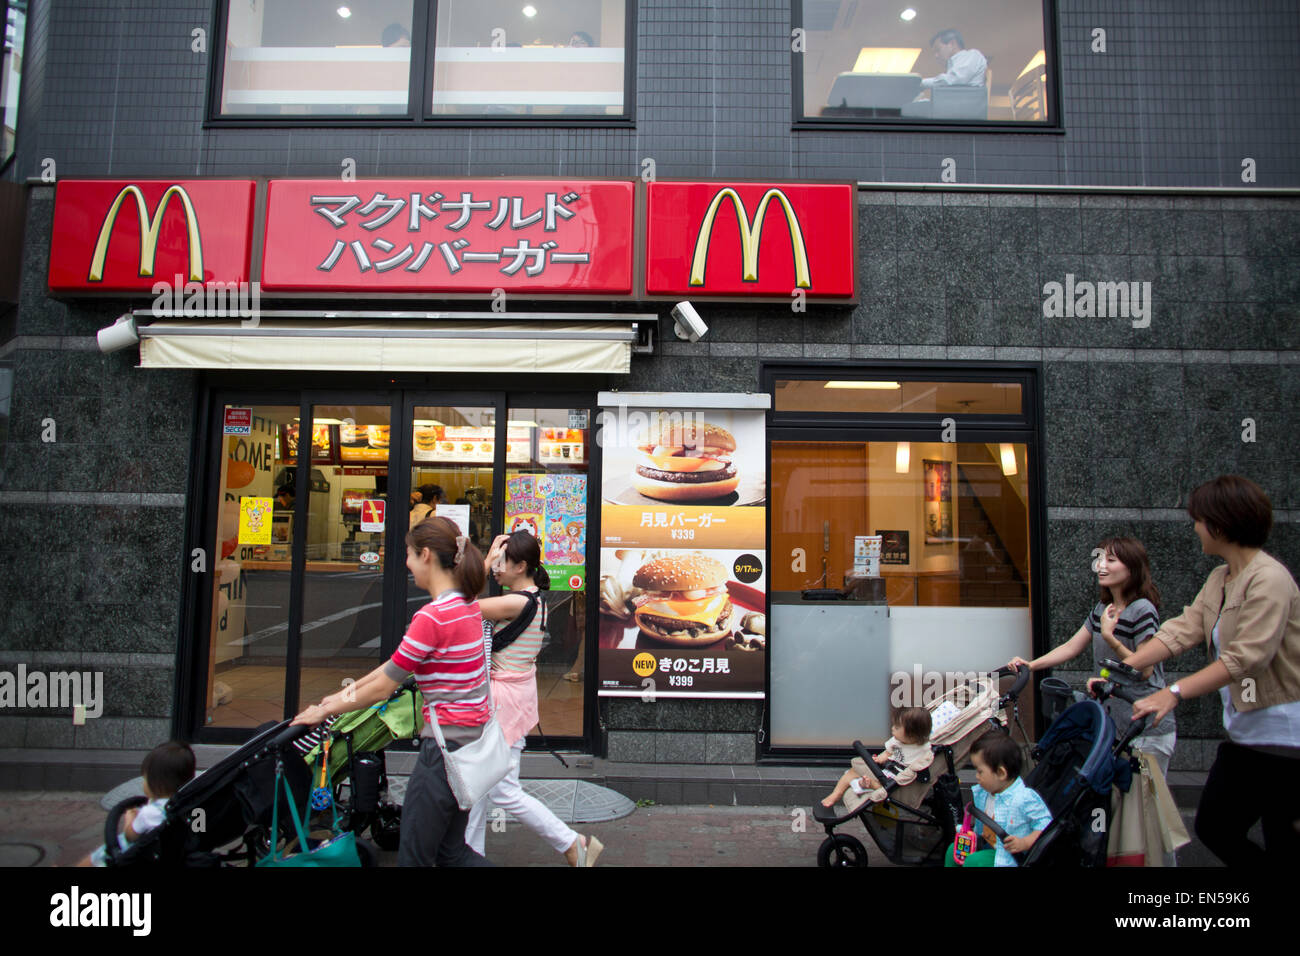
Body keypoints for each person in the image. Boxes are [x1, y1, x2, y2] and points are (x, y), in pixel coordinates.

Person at [294, 516, 493, 866]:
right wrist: (344, 694)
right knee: (451, 853)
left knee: (414, 857)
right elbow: (393, 667)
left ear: (426, 555)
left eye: (408, 554)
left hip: (445, 752)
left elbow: (386, 686)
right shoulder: (466, 607)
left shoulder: (433, 617)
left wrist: (324, 711)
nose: (406, 562)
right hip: (472, 742)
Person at [1124, 475, 1300, 866]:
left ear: (1220, 524)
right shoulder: (1221, 578)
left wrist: (1171, 693)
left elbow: (1246, 658)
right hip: (1246, 734)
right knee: (1215, 827)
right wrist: (1125, 666)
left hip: (1286, 739)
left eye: (1198, 519)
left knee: (1278, 841)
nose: (1195, 527)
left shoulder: (1269, 579)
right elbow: (1183, 628)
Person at [465, 531, 604, 865]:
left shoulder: (518, 602)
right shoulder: (532, 600)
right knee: (477, 787)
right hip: (509, 699)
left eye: (501, 561)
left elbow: (458, 609)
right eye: (494, 562)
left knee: (500, 789)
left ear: (521, 565)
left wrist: (481, 565)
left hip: (503, 704)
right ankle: (469, 856)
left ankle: (572, 843)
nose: (496, 568)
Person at [1009, 536, 1176, 776]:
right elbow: (1071, 647)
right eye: (1100, 559)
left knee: (1146, 808)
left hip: (1146, 727)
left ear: (1132, 568)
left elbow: (1146, 668)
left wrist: (1110, 638)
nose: (1101, 566)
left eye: (1111, 560)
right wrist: (1031, 665)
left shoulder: (1142, 610)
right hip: (1116, 726)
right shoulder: (1102, 609)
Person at [80, 742, 195, 866]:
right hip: (173, 854)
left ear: (156, 783)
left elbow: (130, 835)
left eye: (145, 778)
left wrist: (130, 819)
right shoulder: (188, 806)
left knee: (94, 858)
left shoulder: (150, 813)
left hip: (138, 857)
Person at [945, 733, 1051, 867]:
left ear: (1001, 773)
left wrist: (1025, 842)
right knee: (952, 851)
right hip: (986, 845)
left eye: (980, 771)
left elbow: (1046, 827)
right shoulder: (984, 793)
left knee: (975, 861)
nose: (976, 776)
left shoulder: (1025, 798)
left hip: (1008, 857)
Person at [820, 706, 932, 808]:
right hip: (886, 770)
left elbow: (919, 768)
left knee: (879, 784)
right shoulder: (897, 741)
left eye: (897, 728)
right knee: (853, 771)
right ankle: (836, 793)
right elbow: (888, 753)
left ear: (911, 735)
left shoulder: (923, 750)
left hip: (896, 781)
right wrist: (879, 759)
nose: (892, 728)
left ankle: (869, 784)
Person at [919, 29, 986, 90]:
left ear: (952, 44)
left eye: (938, 49)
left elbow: (952, 80)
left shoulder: (973, 55)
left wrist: (920, 83)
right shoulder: (954, 65)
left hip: (967, 102)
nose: (936, 55)